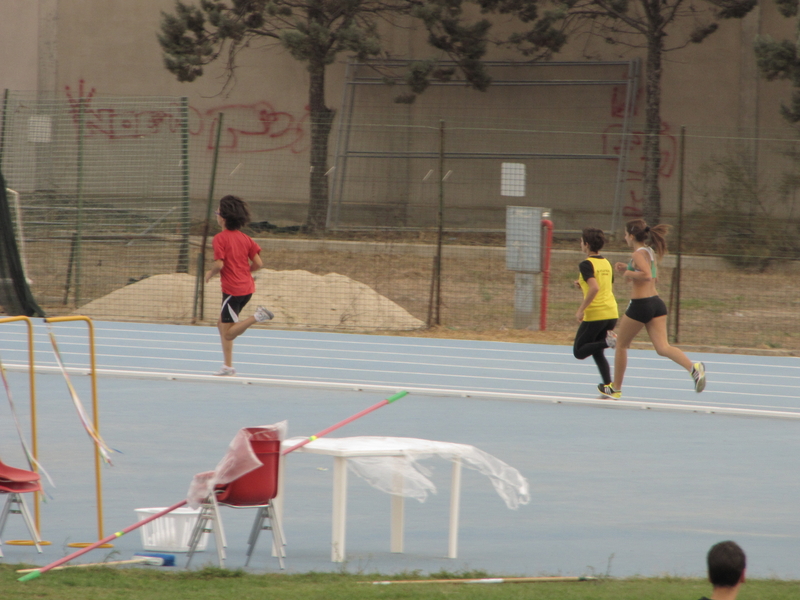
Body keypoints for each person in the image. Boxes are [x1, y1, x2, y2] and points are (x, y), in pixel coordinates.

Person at [597, 218, 705, 399]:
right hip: (656, 303)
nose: (624, 237)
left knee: (621, 344)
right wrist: (629, 269)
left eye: (625, 234)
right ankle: (693, 368)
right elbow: (653, 276)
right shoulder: (649, 252)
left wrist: (627, 272)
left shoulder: (637, 254)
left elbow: (646, 275)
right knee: (663, 347)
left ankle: (615, 388)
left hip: (641, 305)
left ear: (631, 236)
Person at [205, 195, 274, 376]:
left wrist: (210, 273)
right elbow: (258, 263)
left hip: (232, 290)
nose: (216, 215)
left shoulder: (220, 238)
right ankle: (228, 366)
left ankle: (257, 316)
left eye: (218, 212)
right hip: (247, 288)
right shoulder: (246, 238)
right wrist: (244, 272)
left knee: (228, 333)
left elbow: (219, 264)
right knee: (222, 324)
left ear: (223, 217)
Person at [572, 227, 618, 392]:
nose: (580, 244)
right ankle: (608, 386)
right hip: (611, 312)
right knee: (597, 351)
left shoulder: (586, 264)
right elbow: (603, 285)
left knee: (579, 351)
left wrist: (581, 310)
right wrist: (581, 283)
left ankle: (608, 341)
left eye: (581, 241)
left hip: (596, 313)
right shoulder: (606, 263)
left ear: (586, 244)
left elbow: (595, 288)